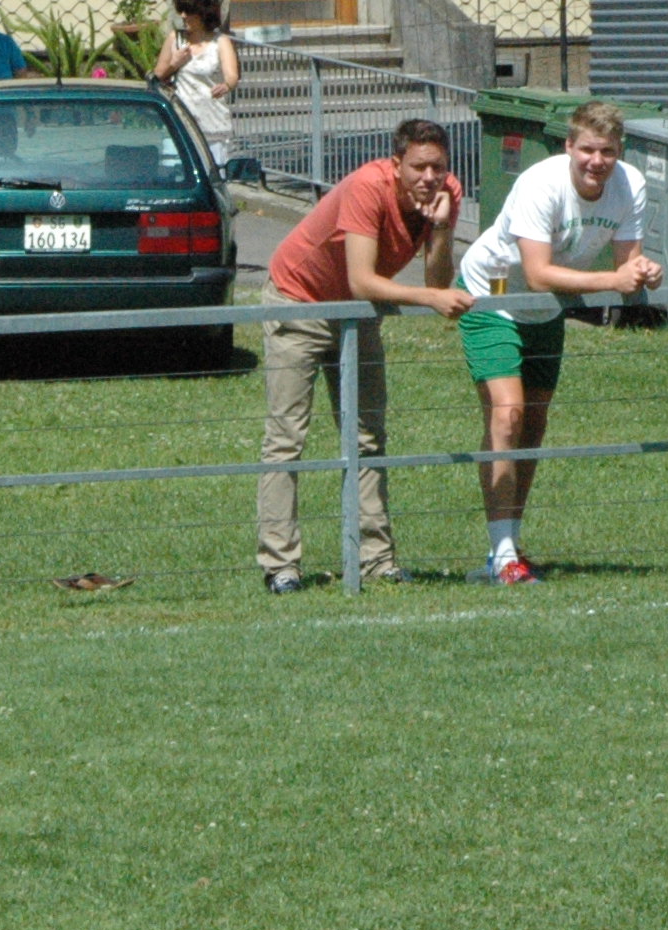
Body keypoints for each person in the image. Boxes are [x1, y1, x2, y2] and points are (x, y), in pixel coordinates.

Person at [254, 118, 468, 593]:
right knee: (286, 439)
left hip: (358, 312)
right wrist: (430, 299)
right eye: (418, 167)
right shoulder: (367, 188)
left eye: (438, 166)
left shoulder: (445, 193)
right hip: (300, 301)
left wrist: (440, 227)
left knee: (368, 435)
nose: (429, 177)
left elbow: (437, 280)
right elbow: (364, 280)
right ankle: (280, 565)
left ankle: (377, 560)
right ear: (396, 164)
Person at [453, 102, 660, 584]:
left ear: (619, 151)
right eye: (587, 149)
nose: (596, 161)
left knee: (533, 423)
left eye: (607, 151)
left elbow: (628, 263)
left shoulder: (631, 184)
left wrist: (645, 271)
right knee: (508, 415)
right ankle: (503, 555)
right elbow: (539, 273)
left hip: (546, 310)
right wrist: (614, 279)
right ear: (569, 146)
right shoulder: (540, 184)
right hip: (492, 296)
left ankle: (509, 546)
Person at [154, 0, 239, 166]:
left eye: (188, 11)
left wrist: (226, 85)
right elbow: (158, 74)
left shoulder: (220, 41)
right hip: (181, 119)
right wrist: (175, 63)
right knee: (175, 169)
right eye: (181, 10)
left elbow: (232, 75)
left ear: (202, 14)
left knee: (214, 170)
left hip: (211, 123)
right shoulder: (175, 39)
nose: (183, 16)